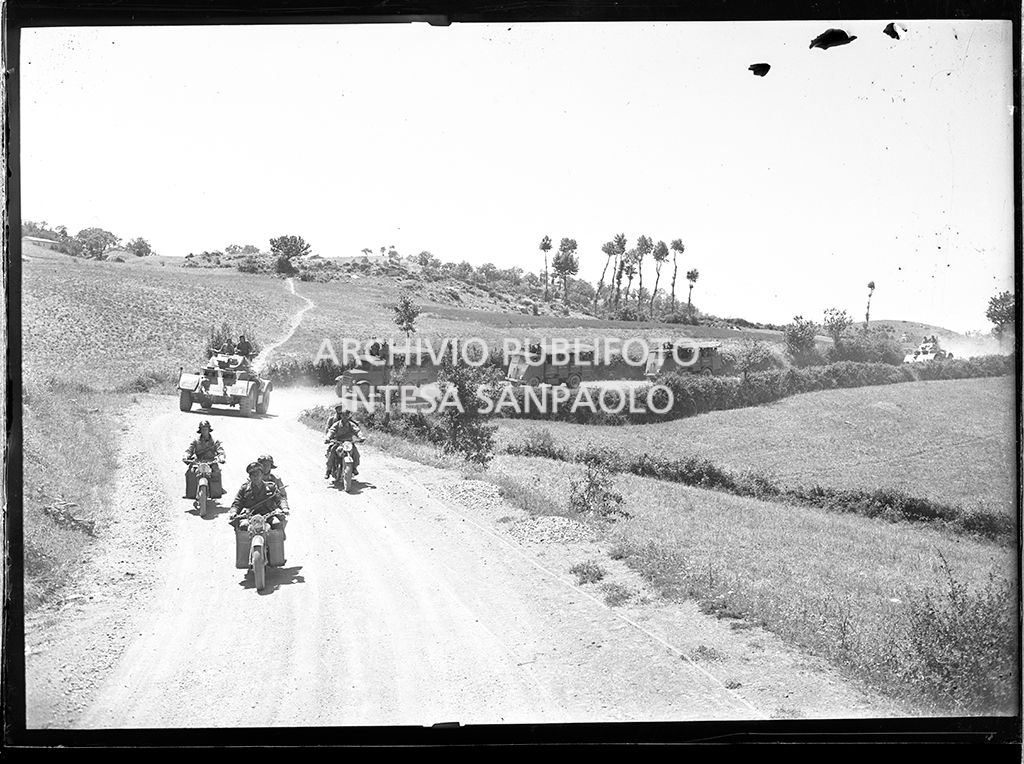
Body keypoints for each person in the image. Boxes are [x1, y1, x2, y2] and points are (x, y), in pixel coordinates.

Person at [229, 462, 287, 534]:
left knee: (277, 524)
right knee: (243, 526)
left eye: (258, 474)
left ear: (262, 475)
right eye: (253, 475)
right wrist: (233, 512)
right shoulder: (244, 489)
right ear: (249, 477)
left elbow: (280, 499)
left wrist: (284, 508)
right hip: (249, 516)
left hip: (268, 515)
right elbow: (237, 503)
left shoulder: (271, 487)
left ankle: (277, 541)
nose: (255, 477)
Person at [182, 421, 225, 498]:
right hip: (198, 461)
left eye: (206, 429)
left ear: (209, 430)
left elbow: (220, 450)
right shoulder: (195, 441)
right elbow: (189, 450)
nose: (204, 431)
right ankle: (191, 494)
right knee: (191, 472)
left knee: (216, 472)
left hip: (211, 461)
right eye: (202, 429)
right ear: (200, 430)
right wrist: (186, 457)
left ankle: (217, 492)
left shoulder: (215, 441)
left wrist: (221, 458)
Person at [325, 410, 364, 479]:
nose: (345, 416)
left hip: (349, 443)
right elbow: (331, 431)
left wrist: (361, 437)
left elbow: (357, 431)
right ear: (341, 416)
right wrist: (328, 437)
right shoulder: (337, 424)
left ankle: (354, 467)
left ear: (349, 416)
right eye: (343, 415)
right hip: (338, 442)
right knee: (332, 453)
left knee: (356, 455)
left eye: (346, 415)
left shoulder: (351, 424)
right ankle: (328, 470)